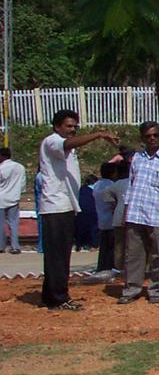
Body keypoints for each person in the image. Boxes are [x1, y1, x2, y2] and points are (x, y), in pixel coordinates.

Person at [37, 111, 118, 310]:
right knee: (58, 256)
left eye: (75, 127)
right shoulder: (52, 141)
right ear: (57, 126)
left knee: (59, 254)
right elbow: (67, 144)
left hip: (66, 205)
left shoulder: (66, 148)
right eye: (68, 126)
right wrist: (98, 135)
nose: (72, 130)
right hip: (56, 206)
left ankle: (50, 295)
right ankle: (59, 298)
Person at [118, 121, 159, 305]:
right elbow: (130, 185)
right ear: (142, 138)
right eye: (148, 136)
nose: (152, 139)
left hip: (158, 215)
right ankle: (132, 289)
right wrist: (126, 211)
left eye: (155, 135)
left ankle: (156, 290)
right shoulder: (137, 158)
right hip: (136, 213)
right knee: (133, 255)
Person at [91, 162, 117, 272]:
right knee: (112, 246)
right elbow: (113, 203)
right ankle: (109, 266)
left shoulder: (97, 185)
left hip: (101, 218)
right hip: (111, 219)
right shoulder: (111, 186)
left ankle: (102, 266)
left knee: (104, 246)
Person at [0, 148, 26, 254]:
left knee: (1, 224)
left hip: (1, 198)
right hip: (14, 197)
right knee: (14, 224)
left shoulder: (1, 168)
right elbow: (22, 184)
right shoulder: (20, 167)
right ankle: (15, 246)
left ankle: (1, 246)